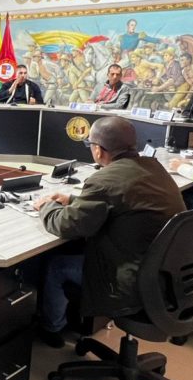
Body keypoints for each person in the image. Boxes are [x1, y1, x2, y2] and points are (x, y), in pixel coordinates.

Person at [32, 117, 185, 347]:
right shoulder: (155, 168)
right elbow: (122, 203)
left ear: (98, 150)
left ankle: (52, 327)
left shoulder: (104, 180)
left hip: (129, 282)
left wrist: (46, 206)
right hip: (164, 277)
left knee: (57, 266)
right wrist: (73, 199)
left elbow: (65, 226)